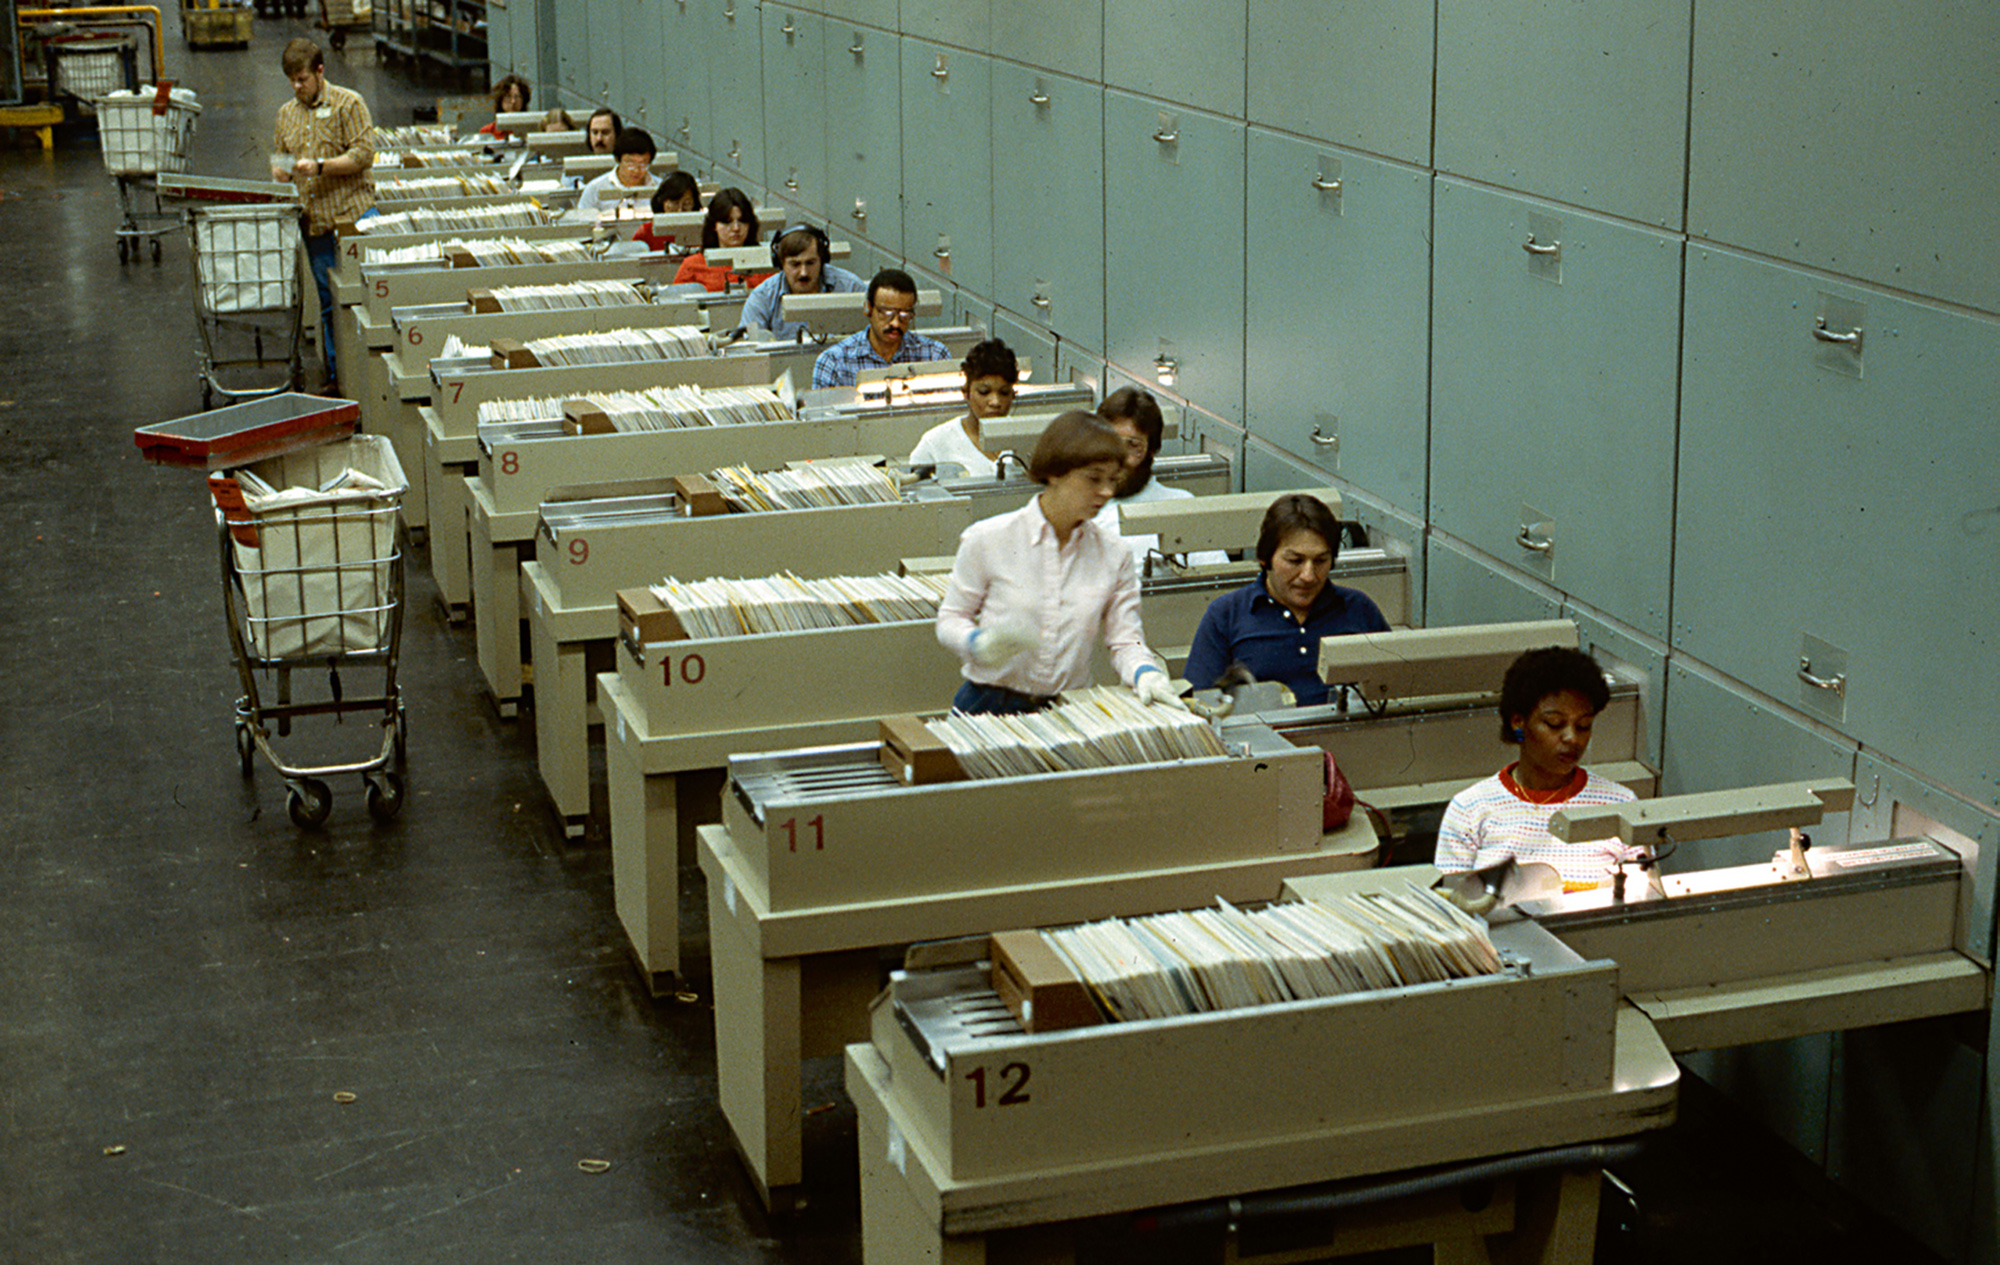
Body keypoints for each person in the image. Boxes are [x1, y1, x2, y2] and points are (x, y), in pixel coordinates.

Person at [936, 412, 1185, 716]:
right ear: (1055, 471)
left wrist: (1145, 672)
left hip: (1068, 711)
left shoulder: (1113, 554)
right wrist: (975, 642)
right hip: (987, 706)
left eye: (1112, 480)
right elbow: (950, 617)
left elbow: (1125, 640)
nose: (1106, 492)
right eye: (1094, 478)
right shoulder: (988, 538)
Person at [1433, 646, 1642, 893]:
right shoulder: (1470, 809)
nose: (1571, 738)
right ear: (1518, 722)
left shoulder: (1620, 803)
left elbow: (1642, 894)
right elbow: (1453, 906)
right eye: (1554, 724)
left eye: (1584, 726)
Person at [1181, 494, 1390, 705]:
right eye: (1294, 561)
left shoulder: (1358, 609)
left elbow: (1393, 691)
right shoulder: (1227, 615)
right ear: (1265, 558)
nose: (1308, 575)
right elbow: (1200, 704)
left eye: (1320, 561)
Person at [273, 36, 375, 393]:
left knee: (364, 299)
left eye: (302, 79)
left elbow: (363, 155)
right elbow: (280, 156)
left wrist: (320, 167)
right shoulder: (287, 114)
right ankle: (338, 377)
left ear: (320, 71)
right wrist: (282, 170)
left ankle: (368, 376)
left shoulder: (350, 103)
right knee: (329, 302)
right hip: (314, 223)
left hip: (353, 217)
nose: (296, 87)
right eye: (291, 81)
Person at [1090, 387, 1229, 568]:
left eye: (1133, 445)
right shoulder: (1076, 506)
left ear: (1151, 451)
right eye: (1110, 442)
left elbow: (1214, 578)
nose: (1119, 458)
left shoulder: (1181, 506)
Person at [810, 268, 949, 388]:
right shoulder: (834, 362)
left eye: (904, 314)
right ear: (868, 309)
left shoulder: (935, 355)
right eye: (887, 313)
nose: (895, 323)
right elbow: (823, 417)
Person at [907, 339, 1017, 474]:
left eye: (1004, 393)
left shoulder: (1027, 439)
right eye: (984, 392)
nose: (995, 402)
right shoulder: (935, 444)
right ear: (966, 393)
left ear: (1013, 395)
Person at [739, 224, 865, 340]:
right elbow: (749, 351)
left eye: (810, 263)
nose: (803, 272)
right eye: (795, 265)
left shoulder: (851, 288)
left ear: (822, 260)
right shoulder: (762, 297)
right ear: (781, 264)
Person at [672, 188, 770, 291]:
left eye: (742, 221)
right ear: (714, 226)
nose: (736, 228)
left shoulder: (766, 263)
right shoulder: (692, 266)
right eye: (727, 222)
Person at [575, 126, 655, 218]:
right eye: (630, 163)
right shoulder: (594, 189)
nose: (636, 170)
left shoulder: (660, 188)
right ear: (618, 159)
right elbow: (582, 223)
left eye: (643, 164)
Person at [633, 171, 700, 252]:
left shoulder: (702, 232)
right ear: (662, 201)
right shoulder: (646, 232)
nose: (680, 211)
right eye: (675, 203)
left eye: (687, 204)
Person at [478, 75, 531, 140]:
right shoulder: (488, 131)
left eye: (517, 97)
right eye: (508, 96)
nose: (513, 101)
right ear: (500, 99)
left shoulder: (531, 130)